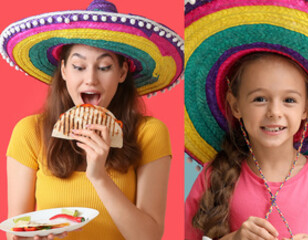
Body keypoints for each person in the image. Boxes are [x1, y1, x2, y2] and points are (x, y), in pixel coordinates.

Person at [182, 0, 308, 239]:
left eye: (289, 100)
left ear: (306, 108)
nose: (274, 112)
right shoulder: (212, 175)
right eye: (260, 99)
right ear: (236, 105)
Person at [3, 0, 181, 239]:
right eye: (78, 66)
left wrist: (98, 176)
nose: (91, 80)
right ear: (64, 70)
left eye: (105, 67)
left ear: (122, 72)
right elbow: (17, 230)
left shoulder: (149, 133)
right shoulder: (29, 132)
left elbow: (149, 236)